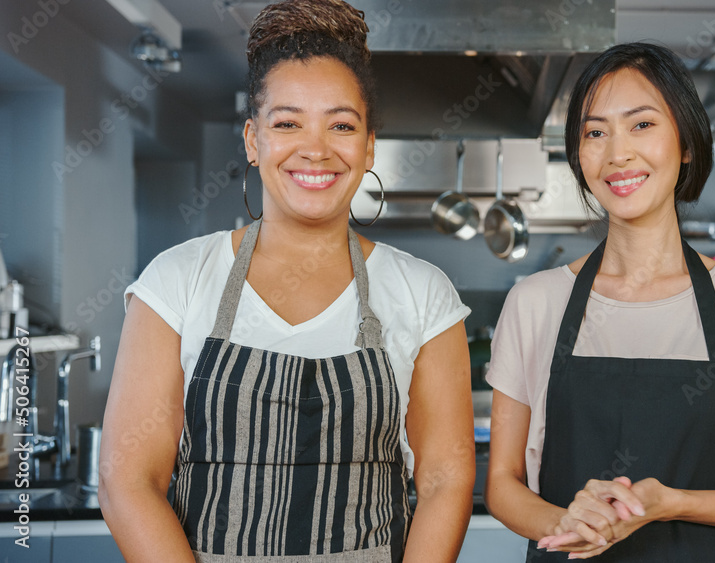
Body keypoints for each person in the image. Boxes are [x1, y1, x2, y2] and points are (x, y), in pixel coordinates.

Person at [98, 1, 475, 561]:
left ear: (369, 144)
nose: (316, 148)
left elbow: (446, 479)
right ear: (253, 141)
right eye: (287, 122)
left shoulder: (424, 292)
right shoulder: (176, 280)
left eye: (341, 125)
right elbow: (127, 480)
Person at [485, 42, 715, 561]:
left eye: (642, 124)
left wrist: (669, 503)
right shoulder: (535, 303)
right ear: (578, 155)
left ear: (686, 142)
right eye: (595, 132)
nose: (618, 153)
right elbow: (502, 485)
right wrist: (568, 520)